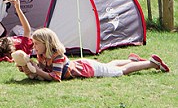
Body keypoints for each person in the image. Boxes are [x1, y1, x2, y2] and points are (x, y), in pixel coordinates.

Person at [20, 27, 169, 81]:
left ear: (46, 44)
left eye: (36, 44)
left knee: (120, 71)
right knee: (108, 65)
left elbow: (55, 77)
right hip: (84, 63)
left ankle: (151, 63)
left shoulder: (57, 57)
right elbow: (43, 69)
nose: (34, 46)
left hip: (88, 69)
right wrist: (29, 68)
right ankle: (131, 59)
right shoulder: (42, 55)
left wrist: (38, 71)